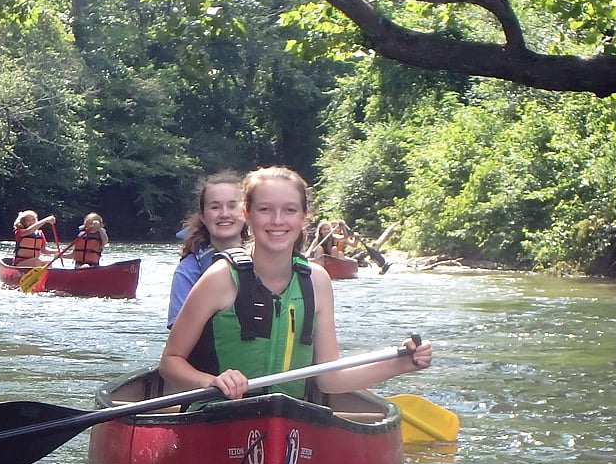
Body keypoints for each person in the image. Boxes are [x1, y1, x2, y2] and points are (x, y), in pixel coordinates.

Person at [159, 166, 432, 404]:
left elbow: (329, 378)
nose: (277, 221)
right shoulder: (219, 277)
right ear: (247, 214)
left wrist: (401, 363)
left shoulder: (317, 281)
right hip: (217, 414)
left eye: (289, 210)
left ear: (304, 217)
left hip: (289, 425)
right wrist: (211, 381)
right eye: (265, 210)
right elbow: (170, 362)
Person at [166, 171, 248, 328]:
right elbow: (178, 333)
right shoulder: (188, 270)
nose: (224, 214)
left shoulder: (264, 259)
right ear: (203, 216)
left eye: (233, 206)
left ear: (246, 213)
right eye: (215, 207)